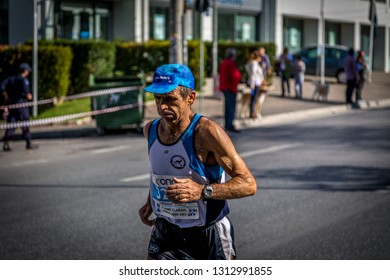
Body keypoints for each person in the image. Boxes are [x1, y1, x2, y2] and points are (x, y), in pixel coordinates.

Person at [138, 64, 257, 260]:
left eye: (170, 99)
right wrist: (152, 200)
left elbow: (248, 184)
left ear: (190, 98)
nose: (162, 107)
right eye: (157, 99)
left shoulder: (207, 132)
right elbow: (162, 173)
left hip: (207, 234)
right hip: (166, 231)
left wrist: (203, 191)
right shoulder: (150, 130)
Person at [2, 63, 38, 151]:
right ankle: (28, 142)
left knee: (12, 124)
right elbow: (27, 94)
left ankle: (6, 143)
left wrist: (6, 96)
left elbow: (1, 87)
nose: (28, 72)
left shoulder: (11, 78)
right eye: (28, 70)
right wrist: (29, 96)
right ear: (25, 71)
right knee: (25, 123)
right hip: (21, 104)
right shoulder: (24, 80)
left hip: (12, 104)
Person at [219, 48, 241, 132]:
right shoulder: (231, 64)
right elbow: (235, 76)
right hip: (230, 87)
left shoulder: (224, 63)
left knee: (227, 106)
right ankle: (229, 124)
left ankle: (227, 124)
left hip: (224, 86)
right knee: (231, 107)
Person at [245, 49, 264, 118]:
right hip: (255, 84)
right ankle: (252, 112)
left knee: (253, 98)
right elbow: (253, 75)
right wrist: (252, 85)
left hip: (254, 83)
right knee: (253, 98)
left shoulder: (251, 63)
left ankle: (252, 111)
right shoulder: (254, 64)